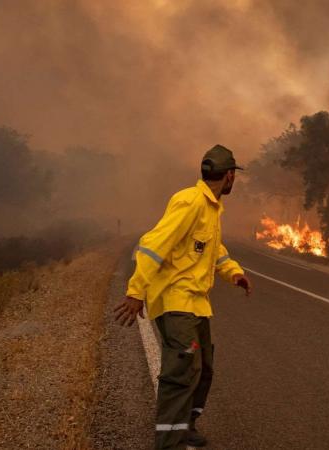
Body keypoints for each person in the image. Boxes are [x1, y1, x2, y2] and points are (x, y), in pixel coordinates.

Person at [113, 144, 253, 449]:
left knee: (203, 369)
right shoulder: (189, 202)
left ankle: (186, 426)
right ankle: (169, 441)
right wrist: (135, 292)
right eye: (234, 175)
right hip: (176, 302)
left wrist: (235, 274)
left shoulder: (212, 208)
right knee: (180, 372)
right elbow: (152, 245)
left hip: (197, 303)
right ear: (229, 176)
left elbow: (215, 252)